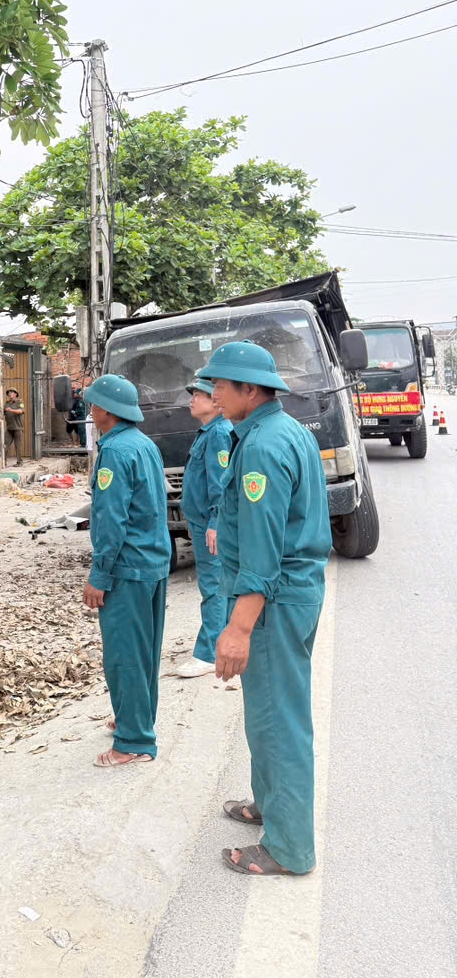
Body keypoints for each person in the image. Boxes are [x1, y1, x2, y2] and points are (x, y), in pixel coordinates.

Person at [197, 340, 331, 878]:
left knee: (280, 723)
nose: (212, 395)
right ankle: (270, 805)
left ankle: (289, 848)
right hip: (289, 595)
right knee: (267, 715)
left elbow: (262, 547)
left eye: (220, 386)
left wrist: (237, 627)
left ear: (249, 390)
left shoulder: (261, 447)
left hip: (273, 602)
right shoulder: (281, 430)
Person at [82, 374, 171, 768]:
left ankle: (133, 741)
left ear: (106, 410)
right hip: (152, 562)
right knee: (144, 651)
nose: (90, 410)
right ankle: (135, 718)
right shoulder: (143, 443)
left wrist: (99, 575)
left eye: (93, 404)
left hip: (128, 569)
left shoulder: (115, 451)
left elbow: (111, 519)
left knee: (124, 655)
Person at [178, 373, 234, 678]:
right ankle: (221, 642)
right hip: (201, 523)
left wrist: (214, 522)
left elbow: (221, 485)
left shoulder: (218, 434)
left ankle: (209, 653)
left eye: (197, 394)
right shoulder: (208, 432)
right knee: (217, 584)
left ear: (214, 401)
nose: (192, 399)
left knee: (213, 586)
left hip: (211, 524)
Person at [4, 388, 25, 463]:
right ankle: (4, 461)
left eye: (12, 392)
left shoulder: (20, 402)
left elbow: (21, 411)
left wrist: (11, 410)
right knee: (5, 446)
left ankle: (19, 462)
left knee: (18, 446)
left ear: (16, 394)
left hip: (18, 428)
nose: (10, 394)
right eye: (9, 393)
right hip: (9, 428)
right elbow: (2, 413)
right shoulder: (6, 403)